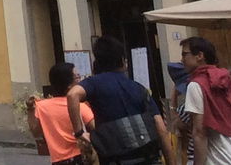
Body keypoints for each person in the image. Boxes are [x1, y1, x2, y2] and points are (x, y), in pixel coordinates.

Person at [68, 35, 173, 165]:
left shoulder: (94, 84)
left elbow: (72, 95)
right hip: (148, 158)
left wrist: (79, 132)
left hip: (115, 159)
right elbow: (161, 129)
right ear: (123, 61)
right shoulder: (138, 88)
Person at [180, 38, 231, 165]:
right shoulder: (229, 82)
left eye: (185, 54)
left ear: (199, 56)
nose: (182, 59)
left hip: (218, 160)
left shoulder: (196, 85)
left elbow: (199, 133)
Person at [38, 63, 96, 165]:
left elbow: (35, 131)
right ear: (69, 85)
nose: (81, 79)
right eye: (77, 77)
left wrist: (30, 109)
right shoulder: (80, 106)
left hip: (58, 160)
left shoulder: (42, 107)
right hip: (80, 157)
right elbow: (96, 128)